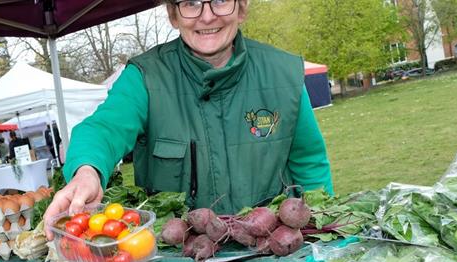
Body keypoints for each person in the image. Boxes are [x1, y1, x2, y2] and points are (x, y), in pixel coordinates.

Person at [44, 0, 333, 238]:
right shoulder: (146, 77)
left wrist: (322, 236)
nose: (207, 16)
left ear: (242, 8)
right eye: (191, 3)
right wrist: (87, 171)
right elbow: (103, 128)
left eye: (220, 1)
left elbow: (310, 166)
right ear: (173, 14)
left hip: (269, 253)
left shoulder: (282, 74)